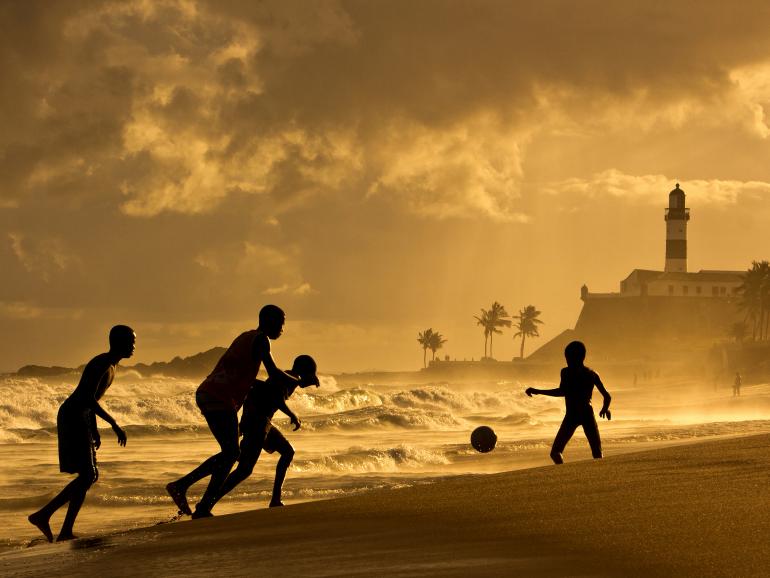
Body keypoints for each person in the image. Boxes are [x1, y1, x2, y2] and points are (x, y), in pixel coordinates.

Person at [166, 305, 316, 519]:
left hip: (210, 393)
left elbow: (255, 382)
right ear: (269, 321)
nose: (283, 329)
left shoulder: (246, 337)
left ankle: (198, 501)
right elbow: (273, 373)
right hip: (219, 396)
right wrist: (300, 381)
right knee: (232, 455)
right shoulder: (261, 340)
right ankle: (187, 491)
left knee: (231, 454)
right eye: (281, 324)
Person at [28, 325, 134, 542]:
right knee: (87, 475)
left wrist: (94, 428)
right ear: (119, 342)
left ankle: (60, 526)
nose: (134, 346)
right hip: (72, 416)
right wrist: (114, 424)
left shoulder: (112, 365)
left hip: (81, 417)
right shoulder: (102, 363)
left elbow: (92, 399)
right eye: (131, 342)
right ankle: (45, 516)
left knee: (89, 476)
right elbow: (86, 398)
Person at [210, 354, 319, 510]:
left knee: (287, 452)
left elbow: (258, 396)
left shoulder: (289, 376)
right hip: (258, 423)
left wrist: (243, 422)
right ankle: (207, 503)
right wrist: (292, 415)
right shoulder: (289, 378)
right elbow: (277, 398)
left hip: (261, 422)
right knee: (244, 469)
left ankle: (275, 499)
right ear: (305, 371)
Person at [525, 340, 611, 464]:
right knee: (597, 452)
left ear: (578, 357)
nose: (567, 360)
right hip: (587, 413)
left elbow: (562, 391)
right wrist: (605, 408)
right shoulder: (592, 374)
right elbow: (607, 396)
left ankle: (563, 472)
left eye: (568, 358)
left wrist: (538, 391)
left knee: (555, 452)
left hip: (572, 415)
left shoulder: (566, 372)